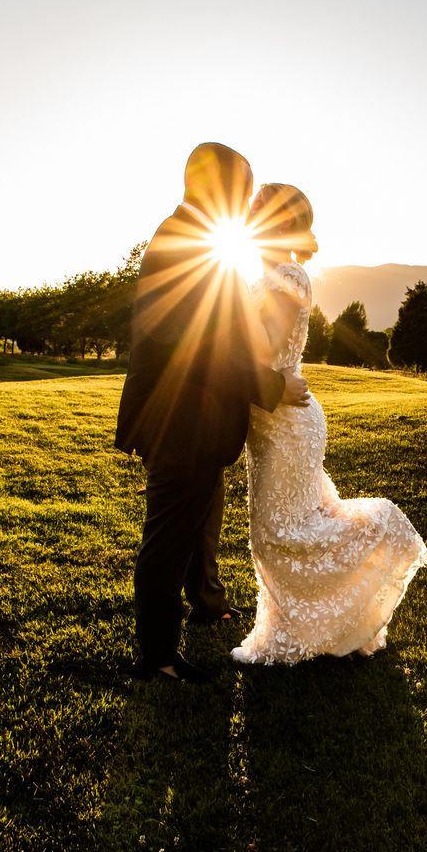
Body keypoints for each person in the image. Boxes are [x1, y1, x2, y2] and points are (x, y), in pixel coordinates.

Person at [115, 145, 309, 682]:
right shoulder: (187, 243)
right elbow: (202, 349)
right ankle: (157, 658)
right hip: (181, 422)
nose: (249, 201)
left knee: (187, 528)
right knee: (168, 539)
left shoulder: (194, 237)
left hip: (190, 420)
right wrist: (274, 384)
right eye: (244, 189)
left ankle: (195, 614)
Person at [231, 184, 427, 664]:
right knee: (287, 528)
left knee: (280, 533)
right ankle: (300, 629)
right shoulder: (265, 275)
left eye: (261, 215)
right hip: (275, 419)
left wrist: (220, 323)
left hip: (286, 420)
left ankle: (380, 532)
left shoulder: (286, 278)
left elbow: (258, 350)